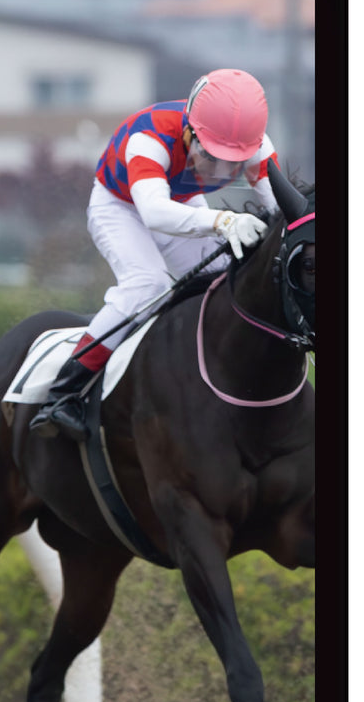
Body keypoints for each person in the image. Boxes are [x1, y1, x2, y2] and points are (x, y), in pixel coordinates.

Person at [30, 68, 281, 441]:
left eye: (235, 160)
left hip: (180, 202)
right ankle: (64, 392)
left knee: (225, 280)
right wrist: (225, 220)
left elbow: (283, 212)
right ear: (189, 132)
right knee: (147, 284)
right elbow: (154, 213)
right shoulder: (149, 138)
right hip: (121, 205)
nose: (222, 170)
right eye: (213, 155)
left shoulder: (257, 145)